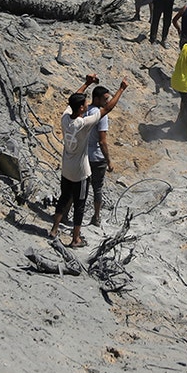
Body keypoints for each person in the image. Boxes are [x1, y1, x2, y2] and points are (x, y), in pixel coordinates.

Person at [51, 75, 128, 248]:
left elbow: (73, 99)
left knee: (63, 198)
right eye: (84, 104)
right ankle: (75, 238)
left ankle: (54, 229)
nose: (87, 105)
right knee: (80, 204)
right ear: (80, 109)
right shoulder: (84, 123)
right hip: (80, 172)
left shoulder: (65, 119)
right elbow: (107, 108)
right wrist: (121, 89)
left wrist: (87, 83)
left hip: (66, 168)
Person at [82, 86, 115, 227]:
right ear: (97, 99)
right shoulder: (101, 115)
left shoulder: (84, 111)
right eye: (105, 99)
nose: (107, 102)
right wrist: (109, 161)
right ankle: (96, 217)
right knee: (97, 188)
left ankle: (66, 214)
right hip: (97, 157)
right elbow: (102, 141)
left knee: (80, 187)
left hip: (84, 155)